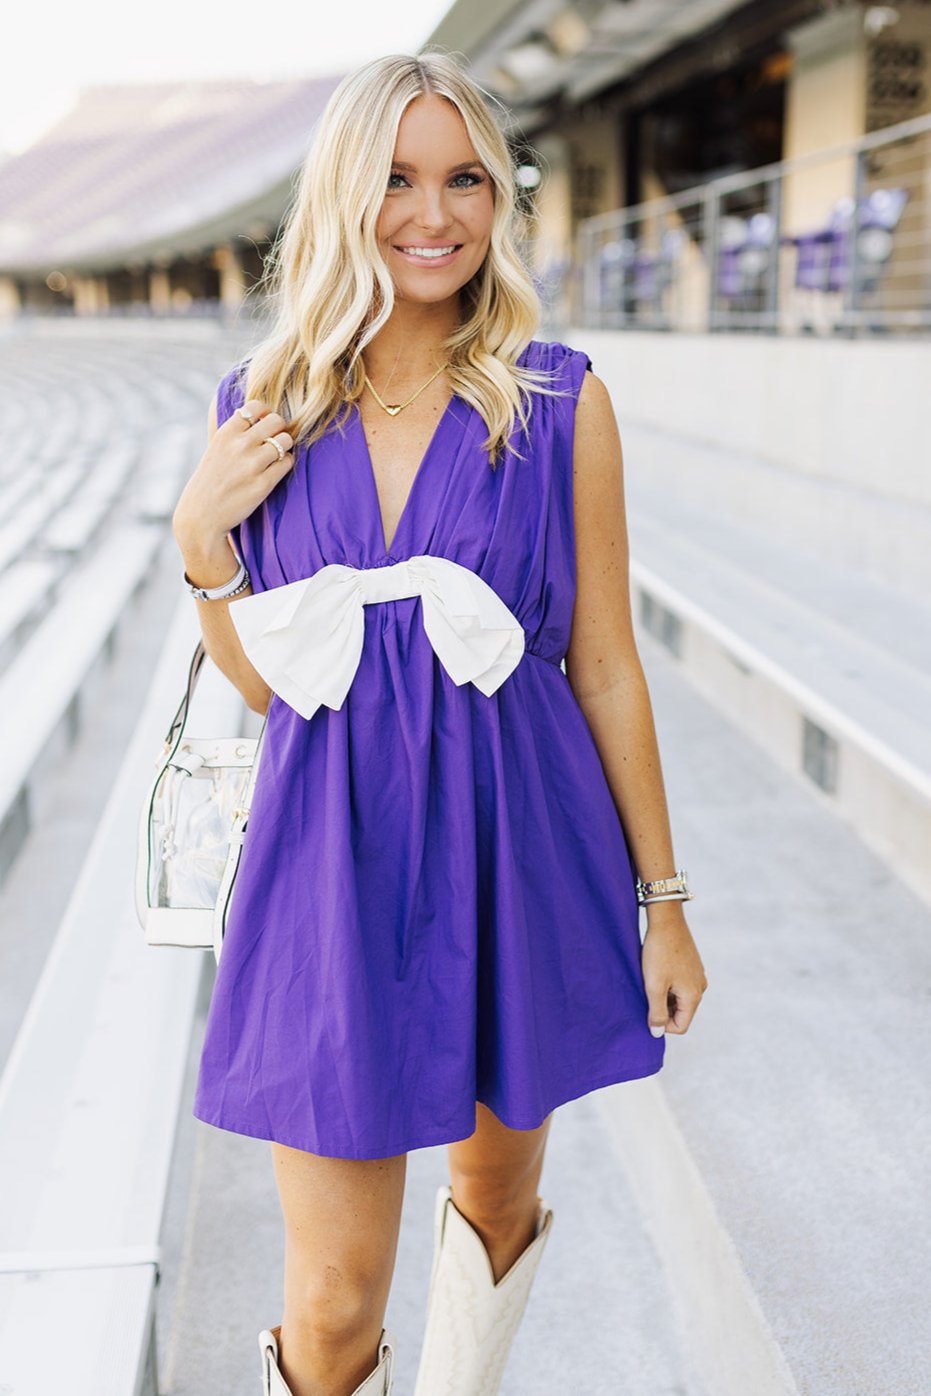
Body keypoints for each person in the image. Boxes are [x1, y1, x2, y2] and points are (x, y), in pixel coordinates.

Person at [172, 48, 707, 1396]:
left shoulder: (558, 397)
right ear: (346, 197)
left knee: (496, 1196)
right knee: (336, 1295)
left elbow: (604, 668)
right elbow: (260, 682)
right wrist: (200, 541)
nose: (435, 212)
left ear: (498, 200)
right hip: (331, 873)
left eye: (465, 177)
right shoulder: (264, 408)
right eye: (400, 179)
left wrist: (666, 897)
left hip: (517, 850)